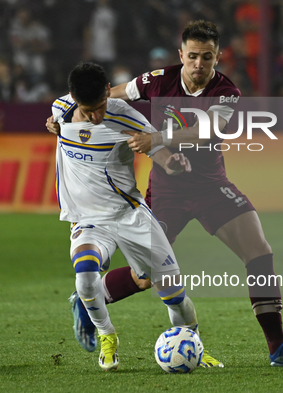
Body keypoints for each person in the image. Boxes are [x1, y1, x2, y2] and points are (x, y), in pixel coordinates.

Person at [47, 20, 283, 368]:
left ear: (218, 57)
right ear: (181, 55)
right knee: (146, 277)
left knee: (259, 252)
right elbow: (107, 95)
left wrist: (157, 139)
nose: (199, 65)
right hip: (166, 193)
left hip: (211, 186)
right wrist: (66, 115)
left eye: (207, 57)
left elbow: (209, 131)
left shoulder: (227, 92)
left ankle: (278, 347)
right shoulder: (157, 79)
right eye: (192, 56)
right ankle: (88, 296)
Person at [54, 61, 221, 371]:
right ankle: (107, 335)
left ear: (108, 91)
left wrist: (172, 162)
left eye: (101, 106)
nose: (96, 115)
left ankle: (195, 348)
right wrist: (52, 125)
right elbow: (56, 119)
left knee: (173, 292)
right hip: (88, 219)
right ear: (75, 100)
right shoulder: (61, 109)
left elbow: (156, 149)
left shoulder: (125, 116)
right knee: (85, 273)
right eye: (89, 110)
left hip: (130, 215)